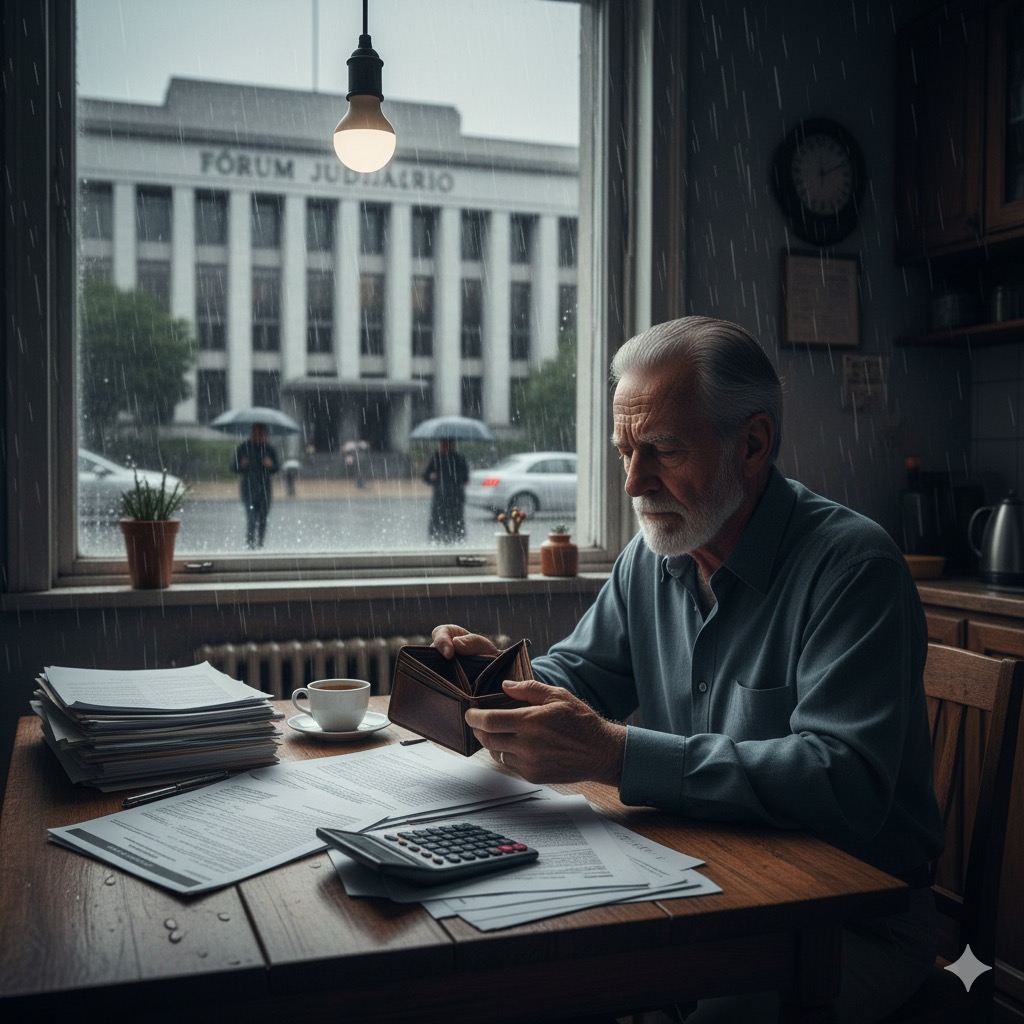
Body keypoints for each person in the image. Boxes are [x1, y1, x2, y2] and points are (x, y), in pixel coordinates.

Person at [431, 316, 944, 1024]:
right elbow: (579, 677)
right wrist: (501, 678)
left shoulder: (854, 568)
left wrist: (617, 753)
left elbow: (843, 781)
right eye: (624, 451)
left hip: (851, 920)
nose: (635, 481)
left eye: (663, 450)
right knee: (524, 973)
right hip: (711, 885)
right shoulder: (655, 555)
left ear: (754, 444)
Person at [231, 423, 279, 549]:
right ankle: (250, 544)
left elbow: (277, 468)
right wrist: (242, 465)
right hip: (249, 488)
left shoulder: (269, 449)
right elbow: (233, 467)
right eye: (256, 433)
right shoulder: (244, 448)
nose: (258, 436)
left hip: (265, 489)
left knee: (263, 519)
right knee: (251, 519)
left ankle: (260, 544)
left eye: (261, 433)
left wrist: (270, 465)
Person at [423, 437, 469, 544]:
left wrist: (451, 477)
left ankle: (456, 539)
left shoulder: (459, 458)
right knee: (439, 520)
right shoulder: (436, 457)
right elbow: (426, 476)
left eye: (445, 444)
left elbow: (465, 478)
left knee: (455, 520)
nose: (443, 446)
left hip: (455, 497)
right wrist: (431, 477)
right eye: (442, 444)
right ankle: (438, 539)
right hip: (440, 496)